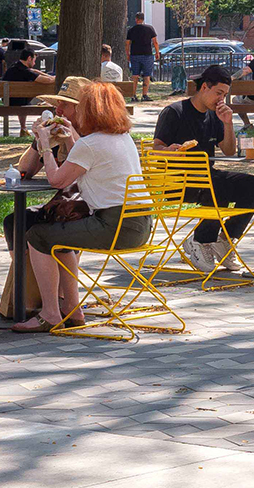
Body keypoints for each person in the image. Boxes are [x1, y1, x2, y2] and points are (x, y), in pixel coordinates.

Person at [15, 80, 152, 331]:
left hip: (114, 225)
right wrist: (69, 140)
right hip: (140, 223)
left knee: (37, 235)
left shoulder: (92, 143)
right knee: (60, 230)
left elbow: (57, 181)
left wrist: (44, 145)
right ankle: (72, 309)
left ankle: (50, 313)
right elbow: (84, 159)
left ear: (89, 111)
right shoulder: (122, 138)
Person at [153, 64, 254, 275]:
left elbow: (230, 151)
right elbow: (155, 149)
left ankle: (224, 238)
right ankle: (201, 240)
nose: (221, 99)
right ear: (204, 87)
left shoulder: (215, 115)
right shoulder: (175, 112)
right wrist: (169, 151)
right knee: (218, 187)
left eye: (225, 95)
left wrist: (228, 124)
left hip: (207, 177)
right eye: (219, 93)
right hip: (178, 181)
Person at [0, 75, 88, 321]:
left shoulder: (91, 136)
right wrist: (39, 141)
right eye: (57, 104)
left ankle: (62, 301)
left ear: (80, 108)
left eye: (65, 105)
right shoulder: (56, 133)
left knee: (50, 226)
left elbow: (75, 172)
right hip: (65, 202)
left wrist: (68, 136)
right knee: (15, 221)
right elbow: (25, 169)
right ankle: (27, 291)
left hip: (88, 204)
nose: (57, 110)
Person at [2, 42, 43, 133]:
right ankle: (26, 128)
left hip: (7, 100)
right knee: (41, 97)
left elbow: (33, 72)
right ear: (29, 58)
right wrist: (55, 78)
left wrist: (36, 71)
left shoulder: (13, 68)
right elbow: (45, 80)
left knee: (24, 97)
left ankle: (23, 128)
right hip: (18, 101)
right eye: (34, 60)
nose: (34, 63)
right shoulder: (24, 71)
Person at [126, 15, 160, 100]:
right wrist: (157, 52)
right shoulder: (149, 28)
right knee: (147, 75)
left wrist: (128, 54)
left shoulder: (131, 30)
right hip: (147, 55)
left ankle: (133, 95)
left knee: (135, 75)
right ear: (143, 19)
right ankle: (144, 95)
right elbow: (155, 42)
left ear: (136, 19)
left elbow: (127, 44)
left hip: (135, 55)